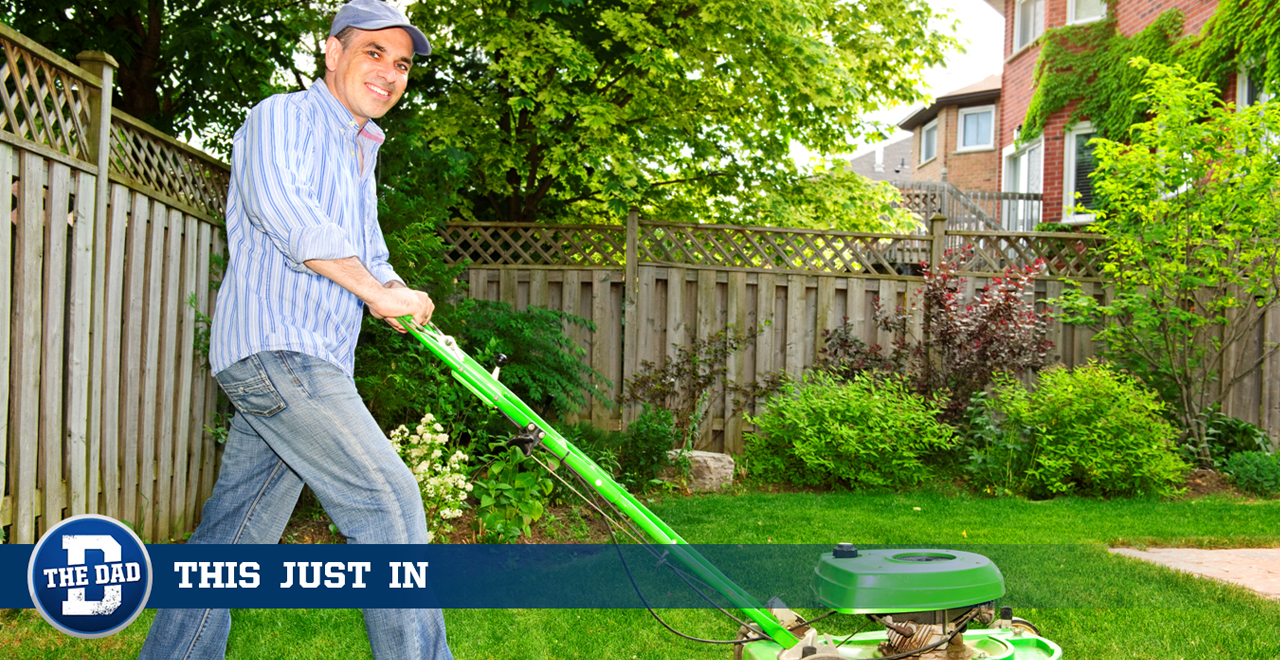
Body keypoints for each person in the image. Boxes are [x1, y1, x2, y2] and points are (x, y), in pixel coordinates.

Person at [138, 1, 452, 658]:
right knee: (389, 506)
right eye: (374, 53)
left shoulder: (360, 151)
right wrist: (370, 288)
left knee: (230, 540)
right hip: (281, 352)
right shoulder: (281, 118)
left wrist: (389, 289)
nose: (390, 74)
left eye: (401, 65)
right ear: (333, 51)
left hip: (308, 362)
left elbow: (366, 250)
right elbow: (287, 216)